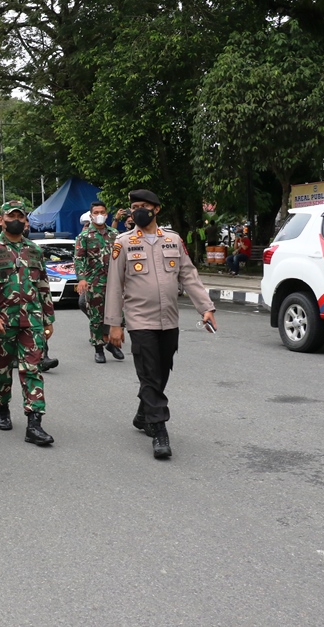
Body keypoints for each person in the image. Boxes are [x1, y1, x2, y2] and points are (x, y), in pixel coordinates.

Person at [104, 190, 217, 460]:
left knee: (162, 371)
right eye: (133, 207)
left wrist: (206, 307)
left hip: (169, 319)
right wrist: (114, 324)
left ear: (156, 209)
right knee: (149, 373)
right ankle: (159, 430)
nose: (137, 211)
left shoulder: (173, 240)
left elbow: (188, 275)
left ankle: (144, 413)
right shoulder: (123, 243)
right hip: (139, 320)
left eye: (143, 206)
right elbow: (114, 285)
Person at [0, 200, 55, 447]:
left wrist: (48, 319)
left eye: (21, 217)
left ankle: (34, 423)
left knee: (32, 370)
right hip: (2, 323)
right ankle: (1, 406)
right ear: (1, 220)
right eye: (12, 216)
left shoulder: (34, 250)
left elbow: (43, 285)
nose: (17, 220)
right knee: (1, 370)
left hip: (31, 321)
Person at [74, 201, 125, 364]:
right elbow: (79, 259)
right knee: (96, 317)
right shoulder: (84, 236)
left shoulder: (115, 234)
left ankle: (112, 343)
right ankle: (99, 349)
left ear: (107, 214)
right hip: (94, 282)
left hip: (114, 282)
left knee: (119, 315)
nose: (99, 215)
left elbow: (122, 257)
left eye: (102, 211)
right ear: (91, 215)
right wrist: (81, 278)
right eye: (96, 212)